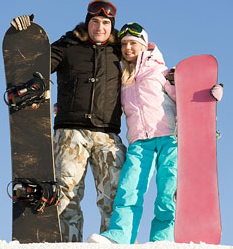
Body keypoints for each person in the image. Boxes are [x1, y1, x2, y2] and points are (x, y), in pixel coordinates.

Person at [87, 22, 223, 244]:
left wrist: (208, 94)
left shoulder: (162, 71)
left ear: (143, 45)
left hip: (170, 138)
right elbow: (108, 106)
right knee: (129, 189)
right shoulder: (121, 77)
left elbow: (186, 97)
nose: (128, 48)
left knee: (167, 193)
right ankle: (120, 236)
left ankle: (162, 240)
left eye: (133, 43)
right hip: (140, 142)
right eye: (123, 44)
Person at [10, 0, 127, 242]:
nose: (100, 27)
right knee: (66, 195)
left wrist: (177, 75)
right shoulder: (69, 45)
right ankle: (67, 244)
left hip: (108, 135)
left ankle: (113, 243)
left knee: (114, 197)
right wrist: (24, 36)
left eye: (106, 23)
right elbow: (36, 63)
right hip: (70, 133)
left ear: (111, 26)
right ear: (88, 23)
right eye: (95, 21)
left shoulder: (121, 51)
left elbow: (149, 69)